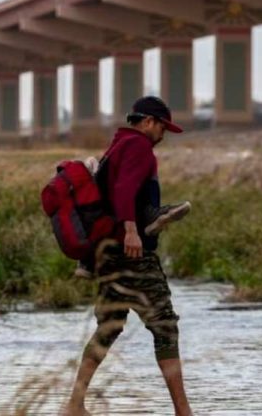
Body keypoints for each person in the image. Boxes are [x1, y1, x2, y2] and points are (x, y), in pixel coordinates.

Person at [64, 96, 194, 416]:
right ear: (148, 122)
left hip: (107, 253)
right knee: (165, 326)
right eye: (162, 127)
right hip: (132, 252)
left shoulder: (116, 146)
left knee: (108, 326)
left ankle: (75, 405)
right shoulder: (138, 146)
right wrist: (132, 231)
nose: (163, 135)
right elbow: (123, 190)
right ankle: (183, 412)